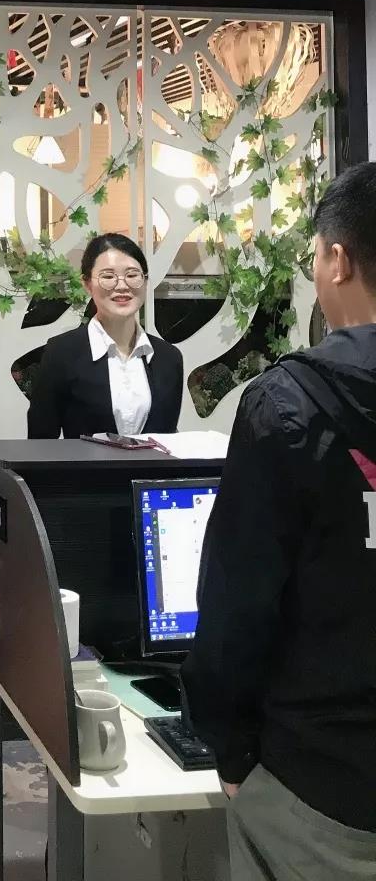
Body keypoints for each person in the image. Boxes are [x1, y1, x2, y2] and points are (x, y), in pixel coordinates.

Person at [182, 162, 376, 879]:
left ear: (337, 259)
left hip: (318, 782)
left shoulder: (284, 405)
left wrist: (229, 749)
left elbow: (237, 602)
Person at [27, 233, 183, 439]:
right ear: (87, 284)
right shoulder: (62, 353)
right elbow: (40, 444)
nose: (122, 286)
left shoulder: (168, 358)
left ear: (145, 281)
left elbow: (168, 440)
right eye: (108, 277)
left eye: (132, 275)